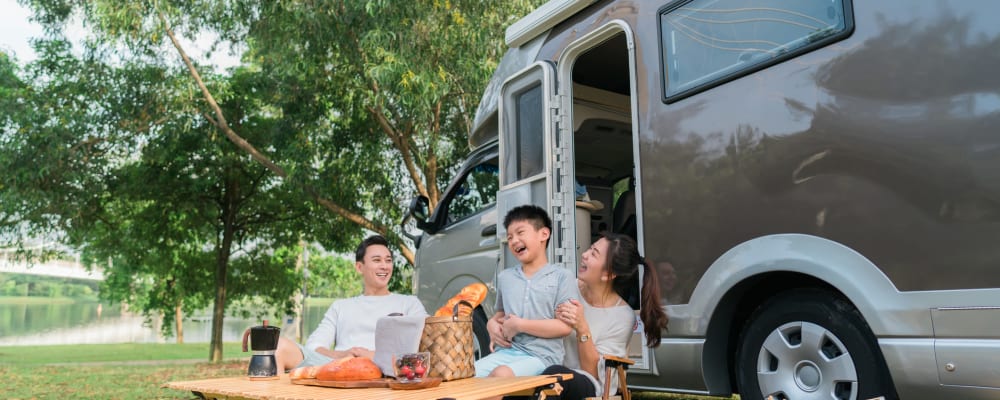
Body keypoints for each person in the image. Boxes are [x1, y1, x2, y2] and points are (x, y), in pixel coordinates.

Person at [274, 235, 427, 372]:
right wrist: (342, 355)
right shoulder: (341, 306)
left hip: (388, 368)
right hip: (340, 367)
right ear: (359, 267)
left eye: (388, 260)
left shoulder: (408, 303)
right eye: (377, 260)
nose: (385, 266)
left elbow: (426, 348)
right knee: (278, 347)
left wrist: (372, 356)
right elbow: (314, 347)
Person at [544, 232, 669, 399]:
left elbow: (593, 373)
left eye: (594, 253)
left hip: (589, 383)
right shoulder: (566, 287)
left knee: (554, 377)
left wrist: (582, 326)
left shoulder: (622, 315)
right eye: (590, 248)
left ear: (608, 274)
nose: (584, 254)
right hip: (549, 370)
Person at [475, 204, 579, 378]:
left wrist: (521, 325)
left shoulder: (561, 277)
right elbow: (500, 315)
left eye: (520, 233)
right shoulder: (505, 277)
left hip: (542, 358)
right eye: (509, 237)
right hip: (505, 353)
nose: (514, 240)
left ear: (543, 234)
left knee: (500, 375)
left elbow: (564, 327)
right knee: (465, 375)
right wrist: (490, 324)